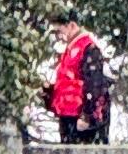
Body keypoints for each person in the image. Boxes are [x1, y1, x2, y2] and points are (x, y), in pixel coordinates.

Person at [46, 17, 112, 146]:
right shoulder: (71, 50)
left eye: (60, 31)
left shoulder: (89, 49)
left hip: (81, 118)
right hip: (70, 116)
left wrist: (87, 116)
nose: (59, 36)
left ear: (71, 25)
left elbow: (94, 85)